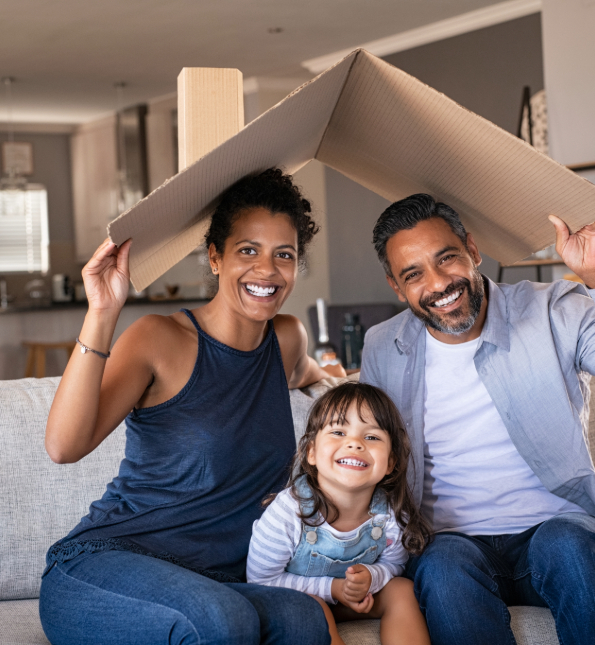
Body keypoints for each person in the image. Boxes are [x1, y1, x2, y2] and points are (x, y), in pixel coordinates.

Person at [39, 168, 344, 645]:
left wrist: (340, 382)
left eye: (283, 255)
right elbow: (63, 446)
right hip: (111, 564)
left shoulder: (286, 338)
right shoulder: (159, 339)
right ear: (215, 258)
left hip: (217, 580)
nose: (267, 270)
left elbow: (314, 373)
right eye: (248, 250)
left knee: (306, 620)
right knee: (221, 622)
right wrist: (102, 313)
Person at [360, 192, 595, 645]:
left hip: (555, 529)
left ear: (472, 250)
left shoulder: (553, 309)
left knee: (567, 548)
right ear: (396, 286)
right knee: (443, 568)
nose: (438, 283)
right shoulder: (382, 346)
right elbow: (369, 449)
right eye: (414, 274)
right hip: (452, 542)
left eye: (446, 258)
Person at [247, 381, 432, 645]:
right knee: (315, 607)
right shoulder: (289, 512)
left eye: (372, 437)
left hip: (356, 599)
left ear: (390, 462)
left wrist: (371, 577)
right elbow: (260, 581)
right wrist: (333, 590)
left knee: (402, 590)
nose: (355, 443)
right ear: (310, 452)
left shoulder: (389, 514)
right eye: (338, 432)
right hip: (300, 602)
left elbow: (394, 564)